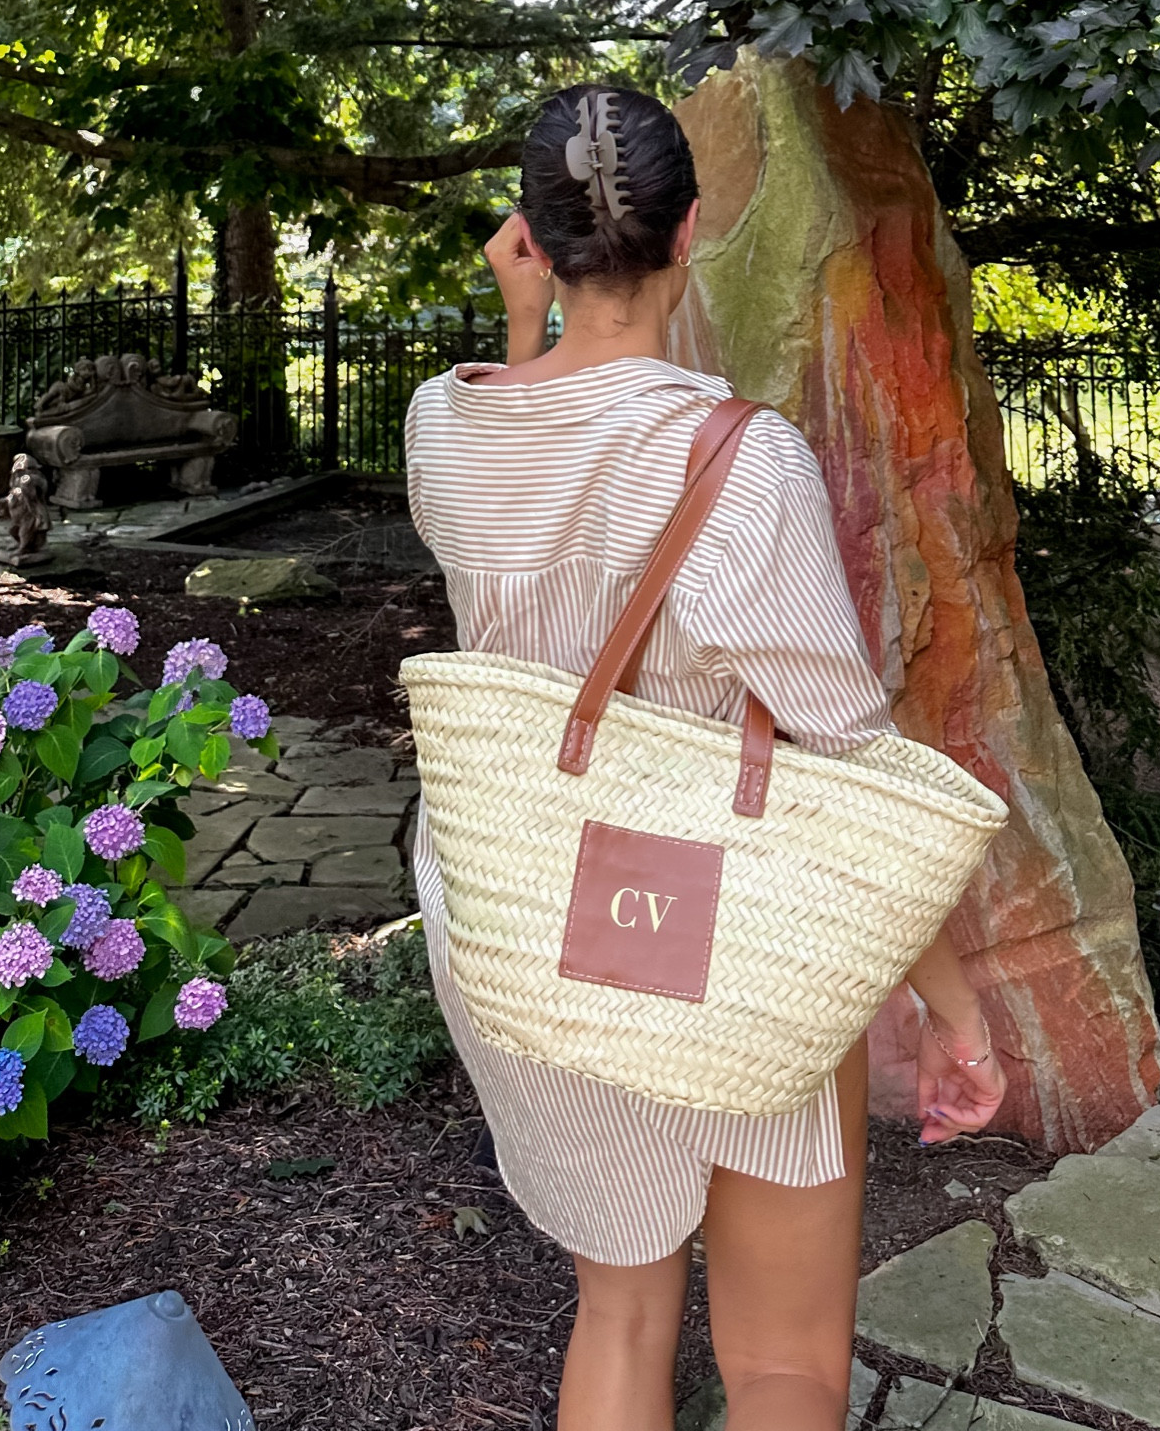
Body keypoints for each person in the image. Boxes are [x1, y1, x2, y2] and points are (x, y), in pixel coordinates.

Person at [405, 83, 1007, 1431]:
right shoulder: (742, 460)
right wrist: (955, 1007)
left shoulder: (442, 426)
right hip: (718, 930)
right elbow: (843, 758)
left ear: (534, 240)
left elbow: (524, 433)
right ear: (692, 233)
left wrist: (527, 325)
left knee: (618, 1310)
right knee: (784, 1366)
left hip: (527, 920)